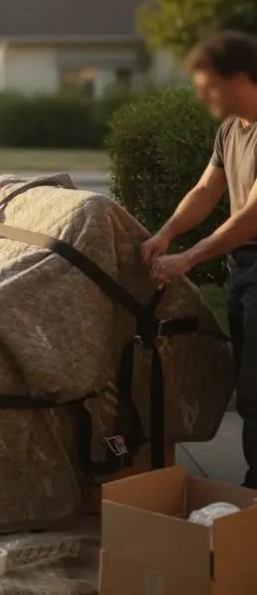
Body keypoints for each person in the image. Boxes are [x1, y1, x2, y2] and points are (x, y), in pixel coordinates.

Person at [143, 30, 257, 487]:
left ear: (240, 78)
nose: (201, 94)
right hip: (244, 271)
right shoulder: (232, 129)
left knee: (255, 391)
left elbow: (251, 216)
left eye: (208, 84)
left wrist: (187, 259)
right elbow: (207, 190)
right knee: (247, 386)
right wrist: (165, 234)